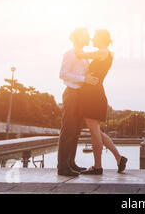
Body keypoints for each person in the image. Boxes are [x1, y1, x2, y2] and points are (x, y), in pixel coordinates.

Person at [75, 29, 127, 175]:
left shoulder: (102, 52)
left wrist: (76, 40)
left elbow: (80, 54)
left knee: (94, 132)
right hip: (95, 93)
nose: (92, 40)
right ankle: (119, 158)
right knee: (96, 131)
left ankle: (97, 167)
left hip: (92, 94)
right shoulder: (106, 54)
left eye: (94, 37)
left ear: (101, 39)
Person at [57, 27, 108, 177]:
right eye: (86, 35)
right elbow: (62, 74)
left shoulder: (84, 56)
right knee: (67, 130)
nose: (88, 37)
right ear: (78, 37)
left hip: (81, 96)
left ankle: (70, 163)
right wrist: (84, 79)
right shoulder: (70, 54)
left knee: (76, 130)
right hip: (71, 93)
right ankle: (62, 167)